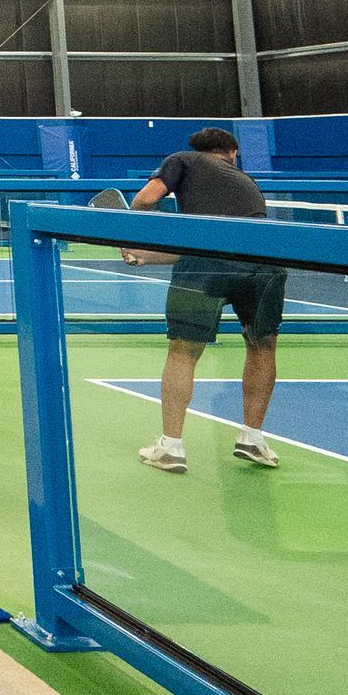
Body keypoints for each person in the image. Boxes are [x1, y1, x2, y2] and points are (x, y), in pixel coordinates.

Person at [124, 126, 283, 472]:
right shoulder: (247, 182)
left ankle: (171, 448)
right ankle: (253, 439)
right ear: (233, 153)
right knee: (262, 346)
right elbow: (221, 247)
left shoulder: (182, 160)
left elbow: (146, 199)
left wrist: (131, 231)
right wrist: (146, 256)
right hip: (265, 265)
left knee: (183, 351)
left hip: (206, 268)